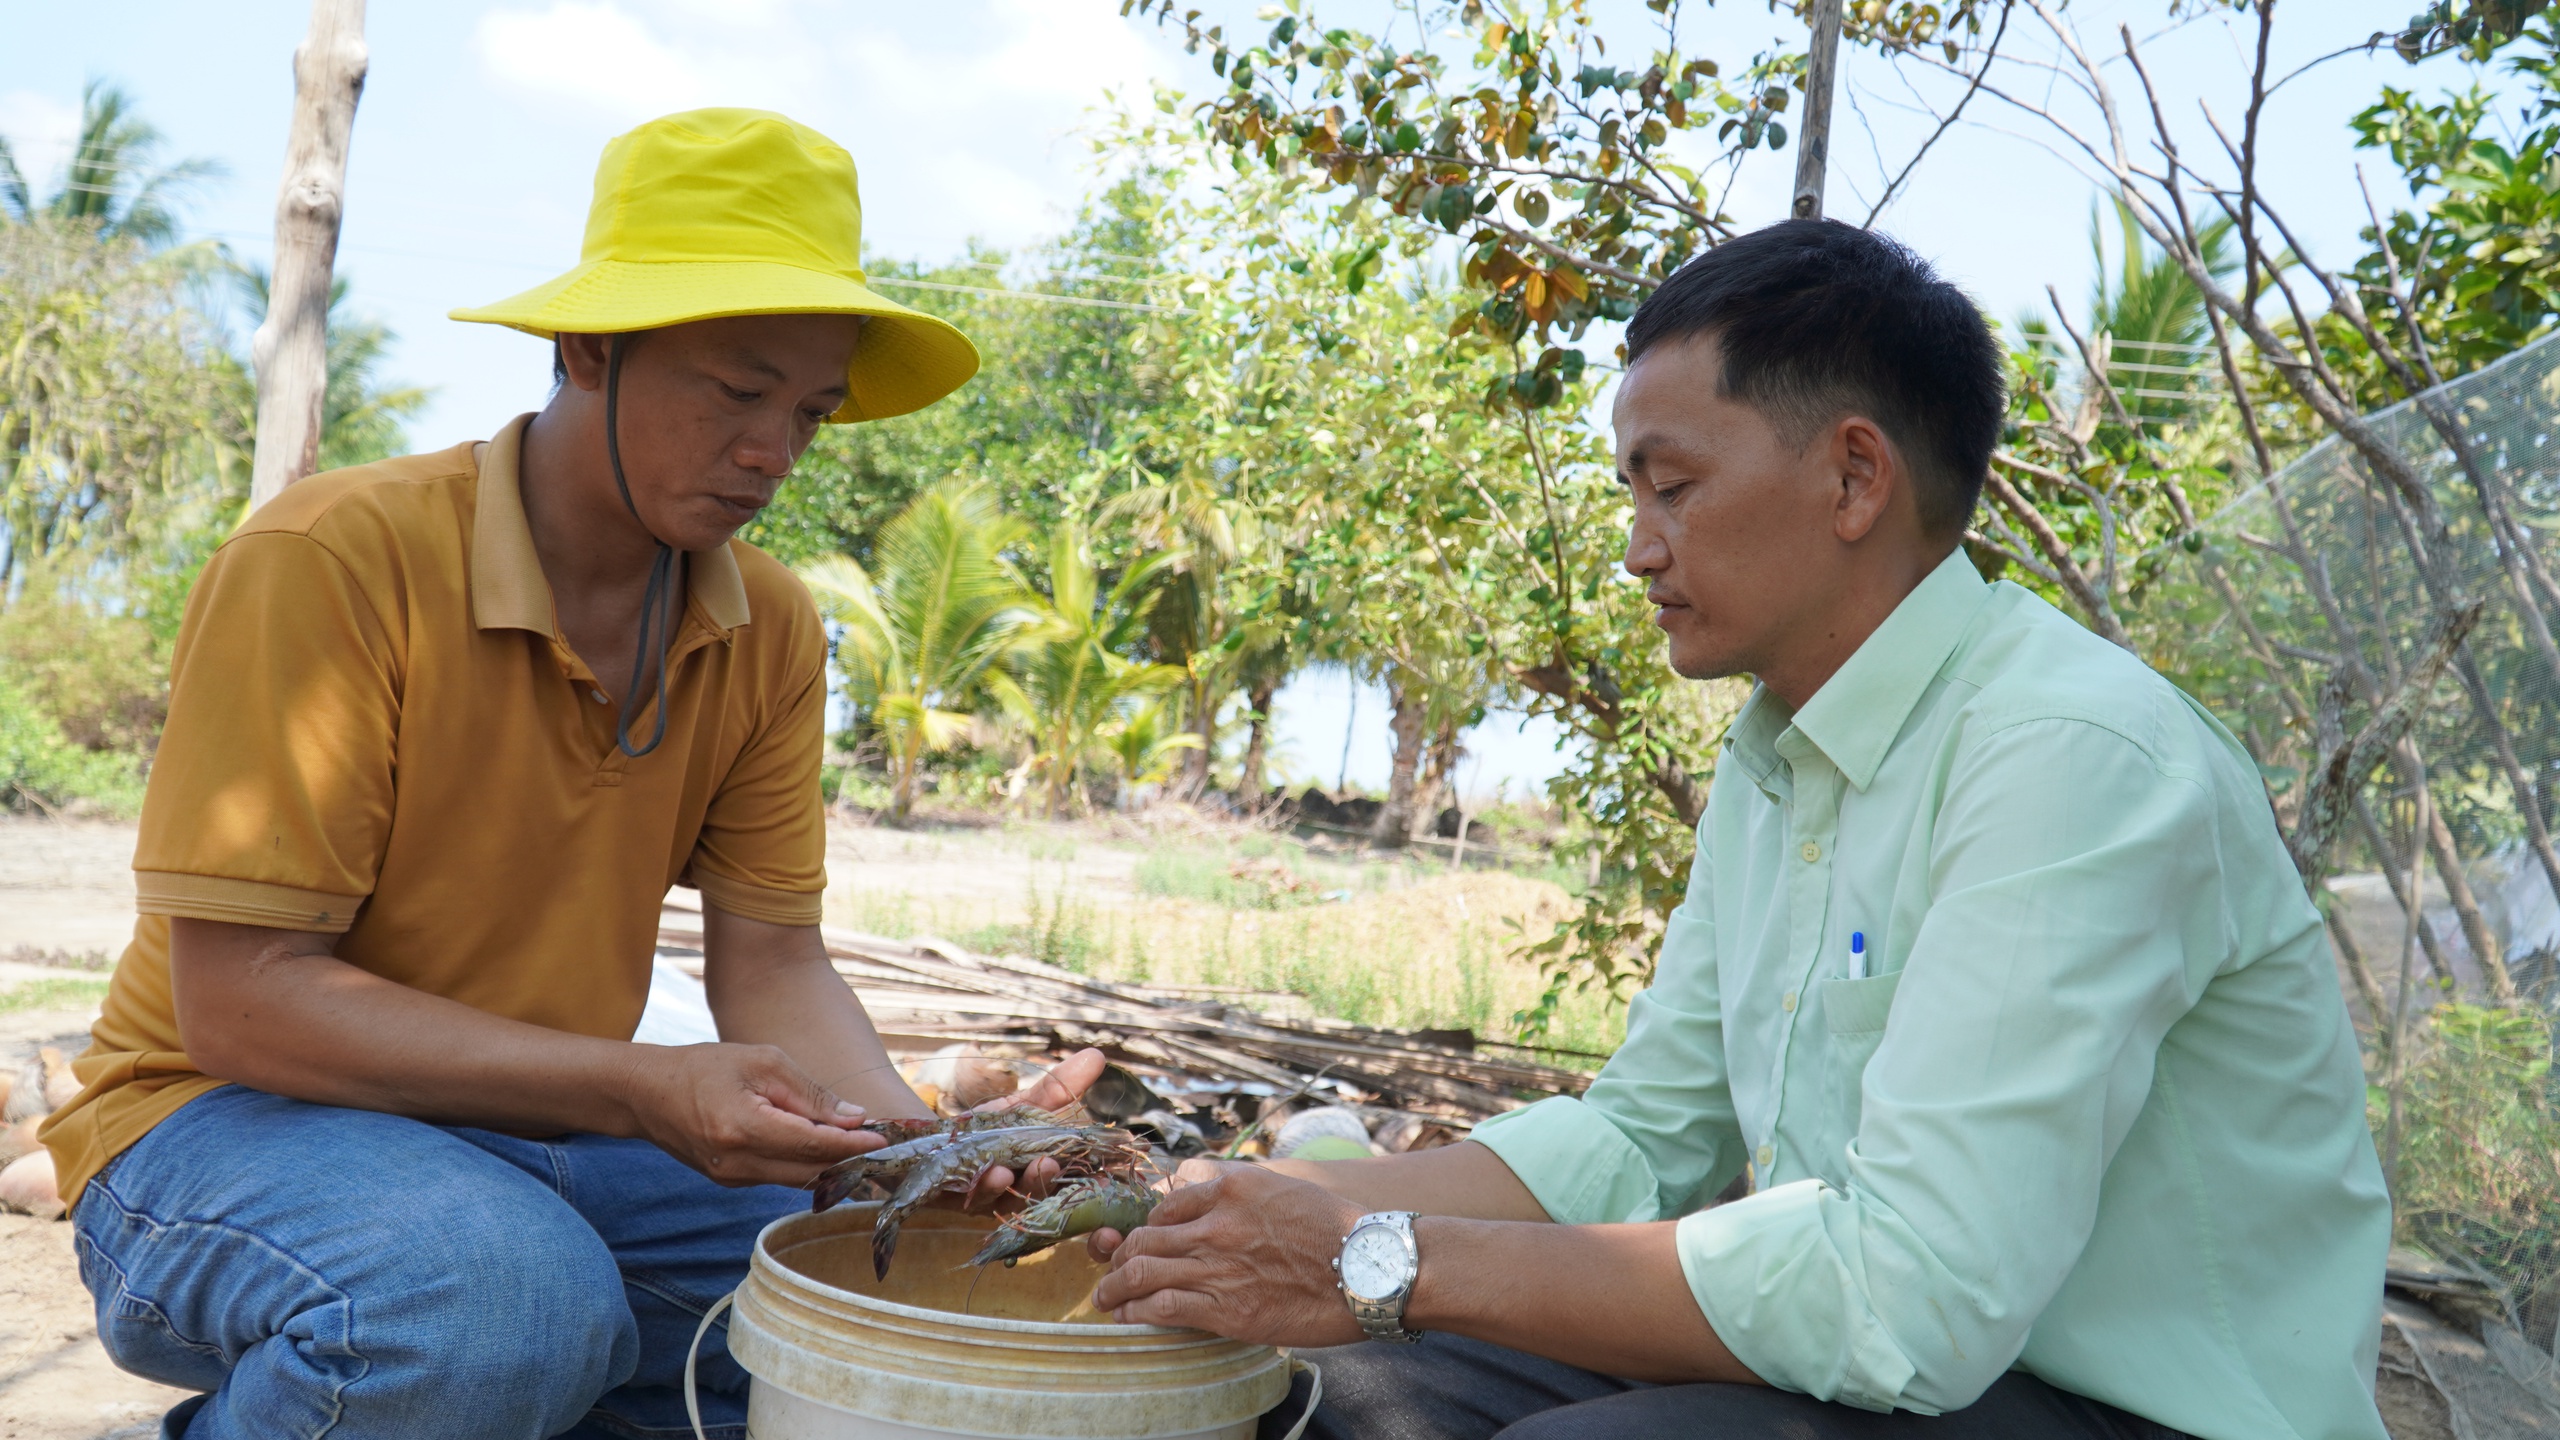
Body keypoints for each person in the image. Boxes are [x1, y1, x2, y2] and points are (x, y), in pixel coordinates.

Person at [1091, 221, 2391, 1440]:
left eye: (1673, 485)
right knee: (1326, 1397)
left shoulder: (2068, 756)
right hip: (1922, 1369)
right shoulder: (1780, 761)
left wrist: (1384, 1257)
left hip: (2134, 1408)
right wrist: (1256, 1214)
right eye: (1632, 494)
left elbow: (1912, 1293)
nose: (1640, 549)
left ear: (1853, 476)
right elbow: (1646, 1138)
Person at [41, 108, 1099, 1440]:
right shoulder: (333, 562)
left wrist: (916, 1149)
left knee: (884, 1303)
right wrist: (636, 1085)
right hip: (220, 1126)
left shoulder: (764, 625)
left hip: (544, 1139)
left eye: (810, 411)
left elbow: (770, 963)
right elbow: (244, 1007)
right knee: (501, 1315)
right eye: (735, 389)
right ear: (588, 347)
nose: (774, 450)